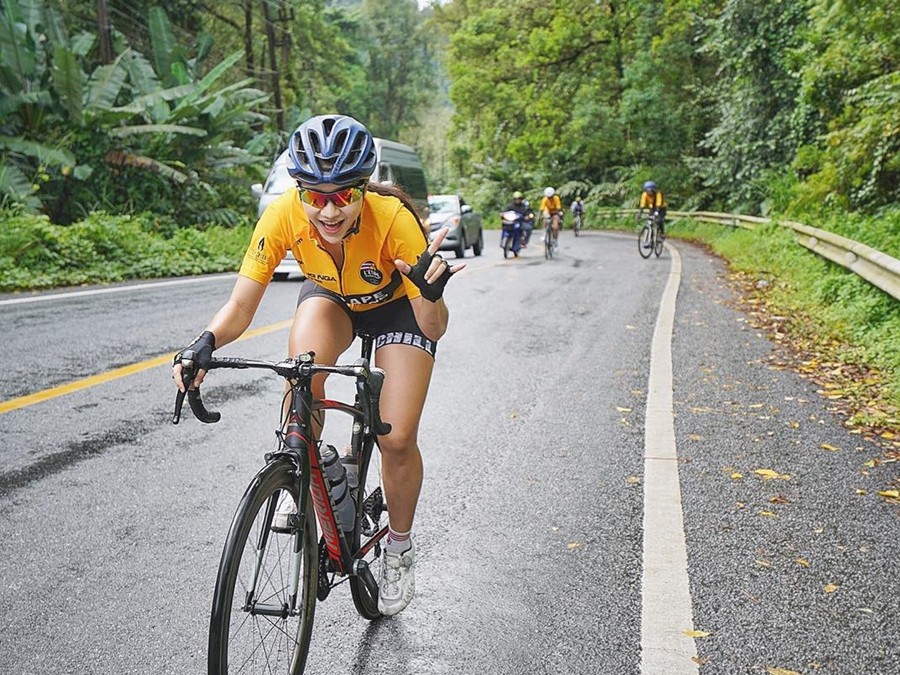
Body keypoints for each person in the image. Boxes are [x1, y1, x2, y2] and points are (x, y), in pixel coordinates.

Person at [172, 114, 463, 617]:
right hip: (332, 297)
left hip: (398, 307)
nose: (328, 210)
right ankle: (303, 478)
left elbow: (432, 327)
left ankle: (398, 547)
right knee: (300, 378)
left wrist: (431, 295)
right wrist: (205, 341)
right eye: (314, 195)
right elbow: (242, 305)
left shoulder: (393, 219)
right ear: (299, 189)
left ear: (362, 190)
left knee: (395, 435)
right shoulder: (283, 214)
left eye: (343, 195)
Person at [500, 190, 531, 255]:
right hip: (510, 223)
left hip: (520, 222)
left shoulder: (524, 206)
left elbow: (528, 213)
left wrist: (527, 216)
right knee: (504, 226)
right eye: (516, 199)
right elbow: (504, 211)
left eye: (519, 199)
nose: (517, 200)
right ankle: (503, 242)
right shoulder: (510, 206)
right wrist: (502, 214)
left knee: (528, 228)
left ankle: (524, 241)